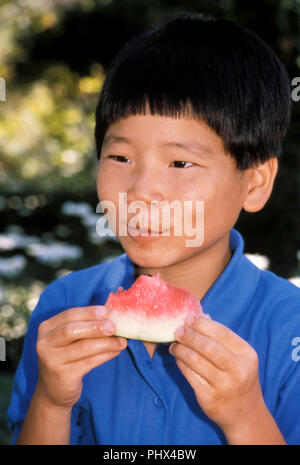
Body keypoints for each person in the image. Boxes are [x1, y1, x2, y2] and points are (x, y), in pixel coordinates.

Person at [7, 12, 300, 445]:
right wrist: (52, 403)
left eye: (181, 163)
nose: (142, 192)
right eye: (120, 158)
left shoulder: (290, 327)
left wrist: (245, 417)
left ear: (255, 183)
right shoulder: (62, 307)